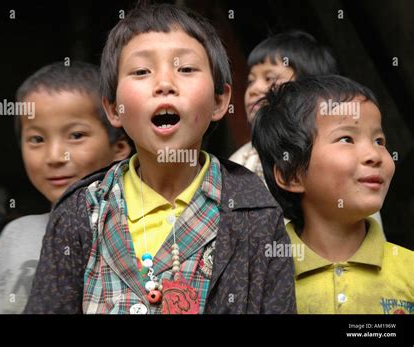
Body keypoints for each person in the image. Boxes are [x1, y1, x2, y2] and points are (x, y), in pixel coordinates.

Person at [24, 4, 296, 314]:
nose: (164, 83)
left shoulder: (255, 213)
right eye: (141, 71)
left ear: (220, 101)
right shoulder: (82, 212)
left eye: (186, 69)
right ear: (114, 109)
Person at [0, 62, 132, 313]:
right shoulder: (14, 237)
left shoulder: (141, 239)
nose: (55, 156)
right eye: (37, 139)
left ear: (119, 149)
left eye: (76, 135)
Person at [253, 75, 413, 314]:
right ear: (292, 175)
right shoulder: (260, 275)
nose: (375, 154)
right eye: (346, 138)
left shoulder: (408, 269)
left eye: (379, 141)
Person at [230, 30, 337, 179]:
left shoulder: (325, 154)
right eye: (250, 81)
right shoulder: (237, 162)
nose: (253, 89)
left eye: (270, 78)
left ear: (309, 88)